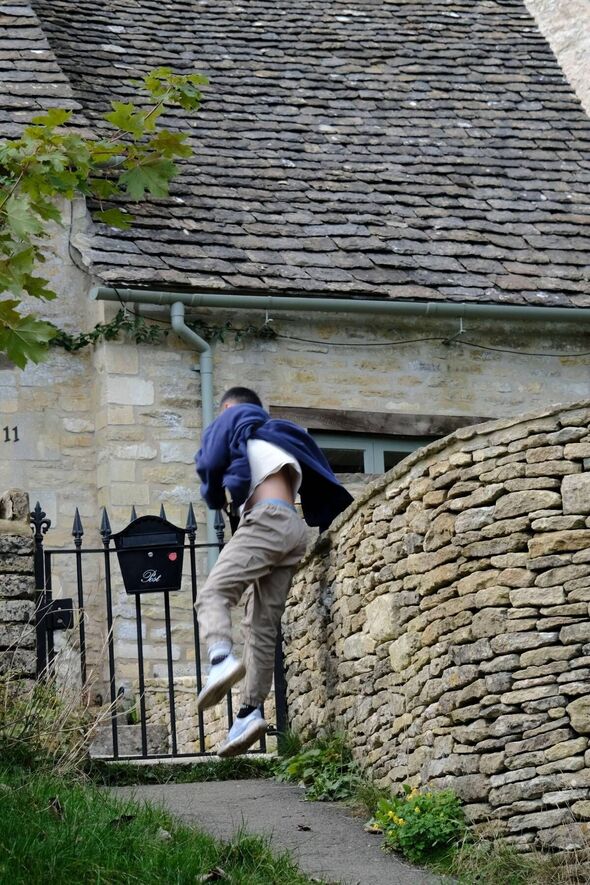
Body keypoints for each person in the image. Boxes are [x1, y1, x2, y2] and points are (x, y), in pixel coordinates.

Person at [194, 387, 353, 756]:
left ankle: (219, 659)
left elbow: (209, 463)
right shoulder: (279, 438)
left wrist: (215, 496)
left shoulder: (238, 420)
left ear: (230, 408)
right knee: (260, 626)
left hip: (266, 521)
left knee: (214, 594)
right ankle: (248, 714)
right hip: (293, 529)